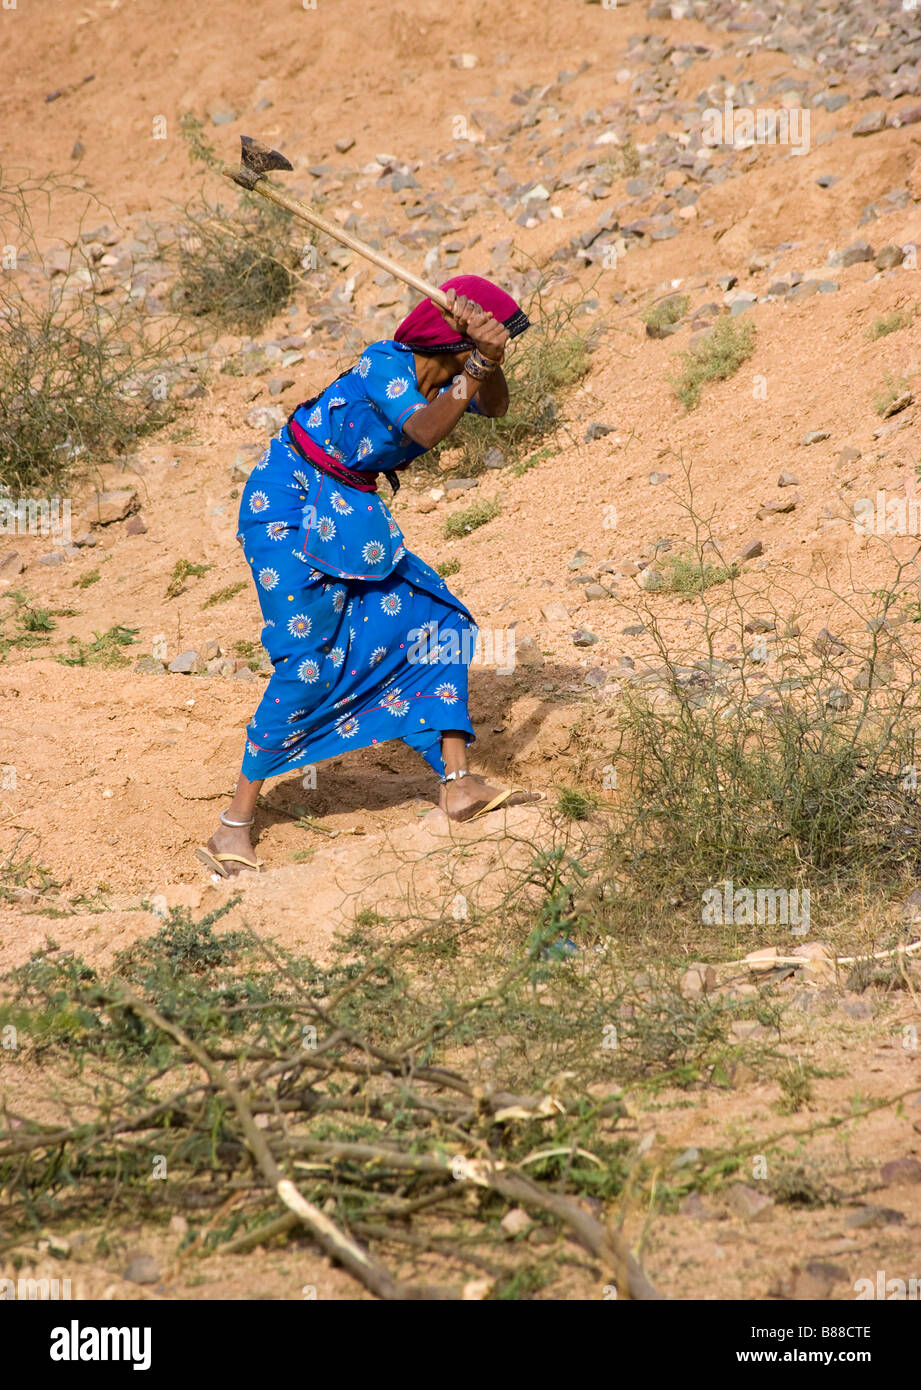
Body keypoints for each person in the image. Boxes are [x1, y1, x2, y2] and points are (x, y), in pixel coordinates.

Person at [197, 275, 541, 877]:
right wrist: (479, 361)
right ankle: (233, 826)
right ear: (455, 343)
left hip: (349, 509)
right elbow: (425, 430)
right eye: (484, 344)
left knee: (439, 621)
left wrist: (489, 360)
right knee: (307, 660)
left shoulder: (455, 376)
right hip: (287, 504)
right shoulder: (385, 364)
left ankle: (458, 786)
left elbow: (496, 404)